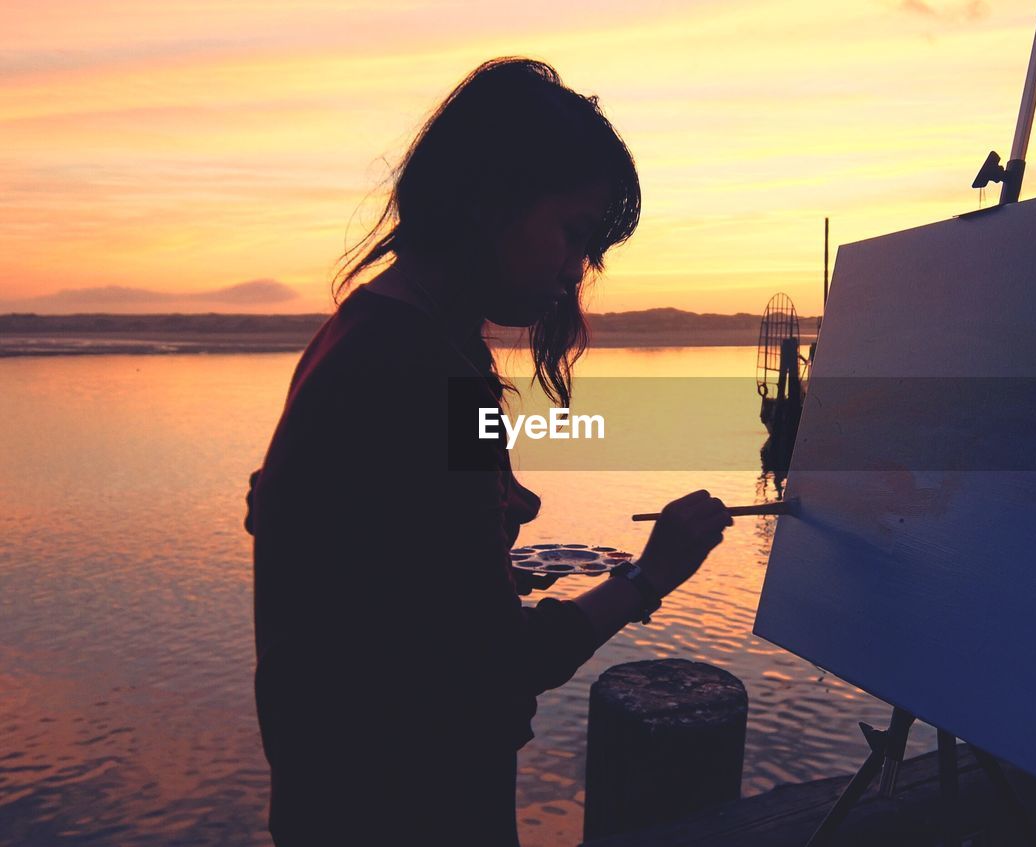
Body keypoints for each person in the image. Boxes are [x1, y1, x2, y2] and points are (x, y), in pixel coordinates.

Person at [244, 57, 733, 846]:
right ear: (488, 200)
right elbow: (493, 663)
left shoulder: (369, 334)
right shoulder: (423, 370)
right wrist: (649, 576)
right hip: (407, 804)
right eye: (574, 234)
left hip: (336, 795)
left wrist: (480, 556)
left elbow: (361, 557)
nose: (576, 270)